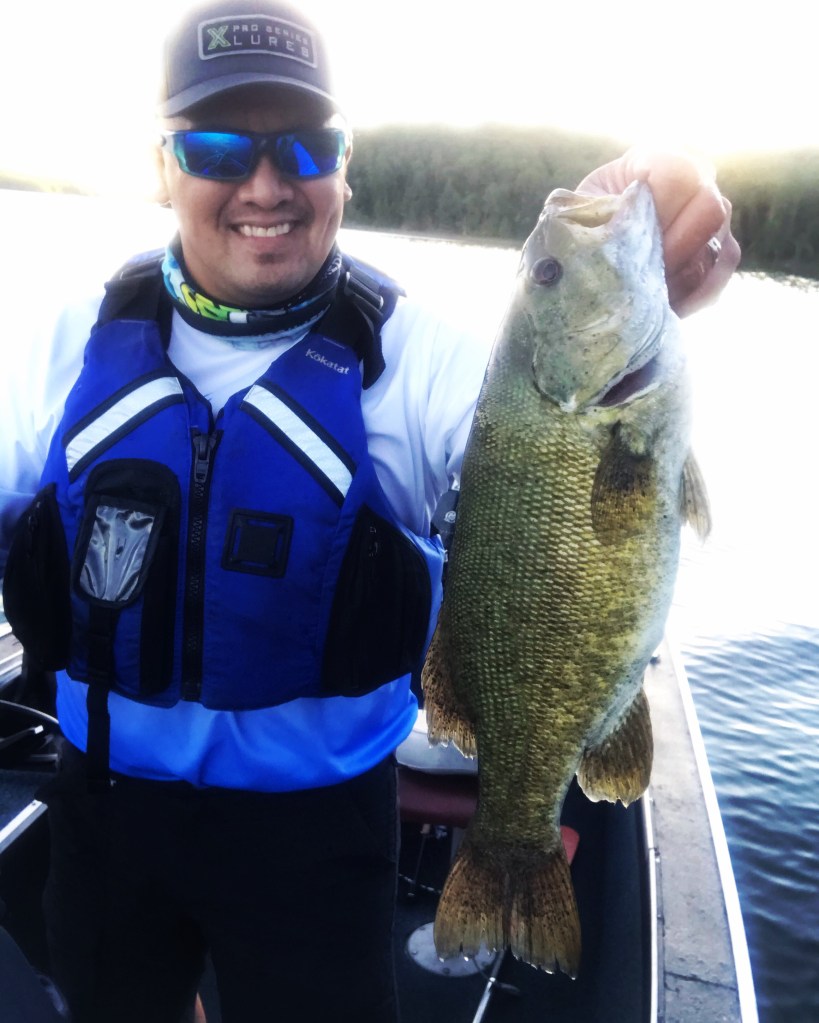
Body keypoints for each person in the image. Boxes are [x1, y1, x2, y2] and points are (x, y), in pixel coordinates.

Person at [0, 1, 740, 1020]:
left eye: (305, 146)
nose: (266, 185)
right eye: (218, 148)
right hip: (104, 812)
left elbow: (559, 482)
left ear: (345, 166)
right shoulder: (66, 346)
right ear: (164, 165)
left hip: (318, 834)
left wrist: (669, 183)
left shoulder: (428, 365)